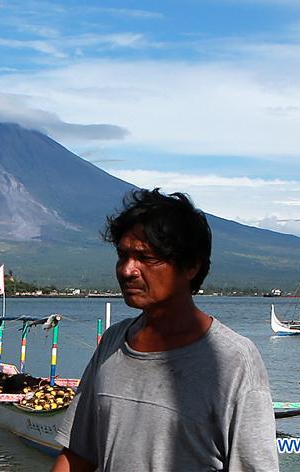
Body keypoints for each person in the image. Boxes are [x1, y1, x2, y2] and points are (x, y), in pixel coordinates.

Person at [52, 189, 278, 472]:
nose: (127, 270)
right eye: (123, 255)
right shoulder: (113, 343)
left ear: (190, 266)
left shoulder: (233, 360)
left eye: (146, 258)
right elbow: (77, 456)